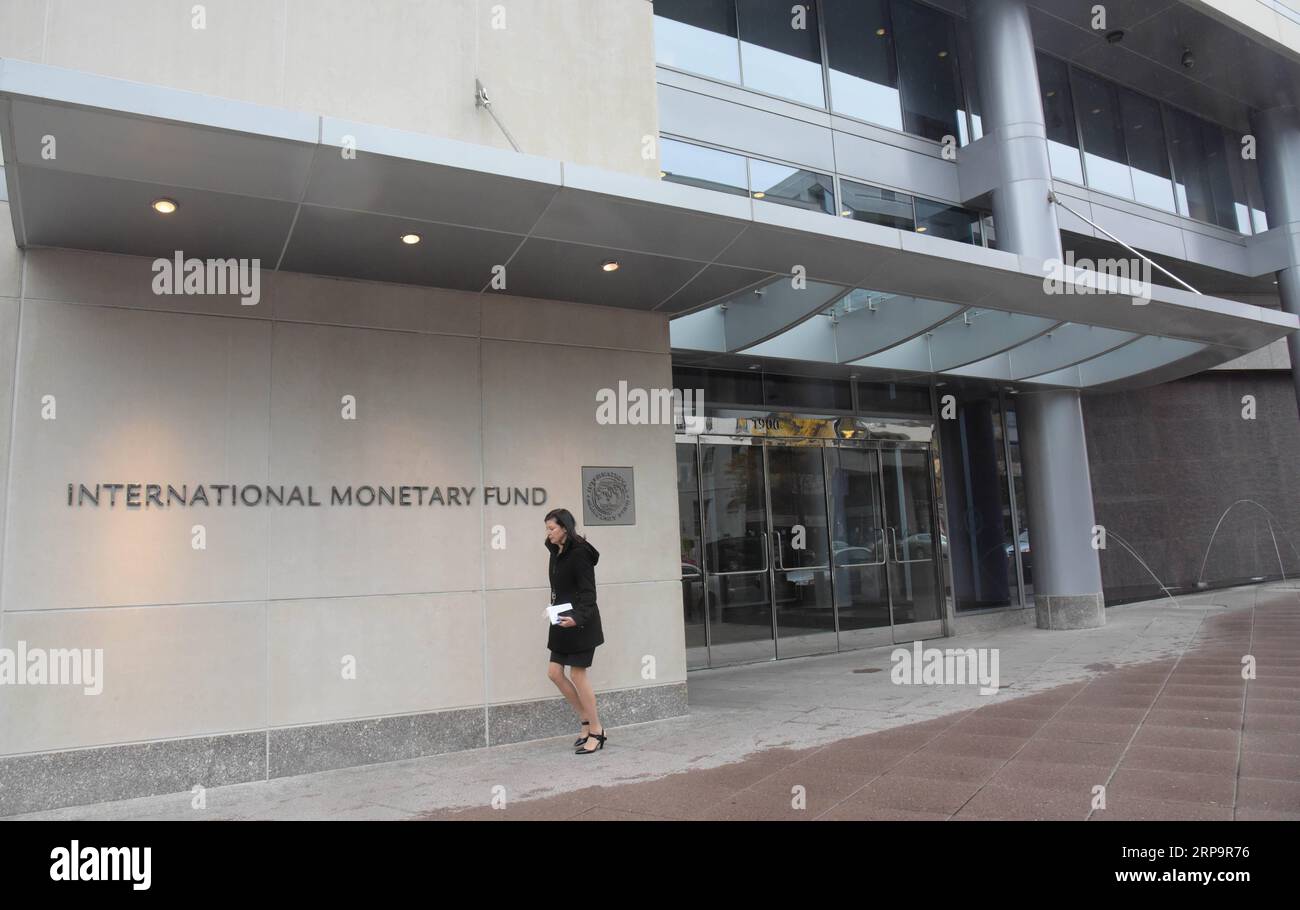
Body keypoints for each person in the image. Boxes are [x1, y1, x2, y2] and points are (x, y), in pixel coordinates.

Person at [543, 508, 607, 755]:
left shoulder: (580, 554)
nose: (548, 533)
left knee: (578, 675)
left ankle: (597, 731)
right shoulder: (556, 551)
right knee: (554, 673)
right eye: (547, 529)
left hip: (581, 623)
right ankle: (585, 720)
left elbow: (589, 595)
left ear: (565, 529)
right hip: (560, 620)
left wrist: (577, 618)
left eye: (552, 529)